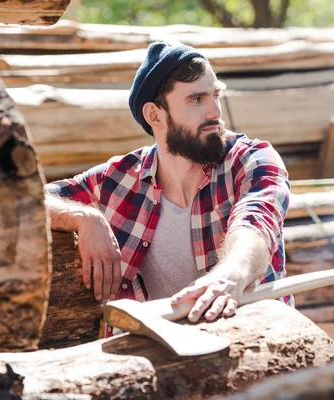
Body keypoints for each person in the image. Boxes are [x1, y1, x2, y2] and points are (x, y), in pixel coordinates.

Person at [44, 41, 292, 337]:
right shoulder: (120, 179)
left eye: (216, 95)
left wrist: (230, 275)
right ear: (155, 115)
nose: (215, 111)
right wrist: (84, 218)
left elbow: (255, 224)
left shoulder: (252, 160)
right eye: (196, 99)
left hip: (255, 343)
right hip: (155, 358)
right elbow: (29, 200)